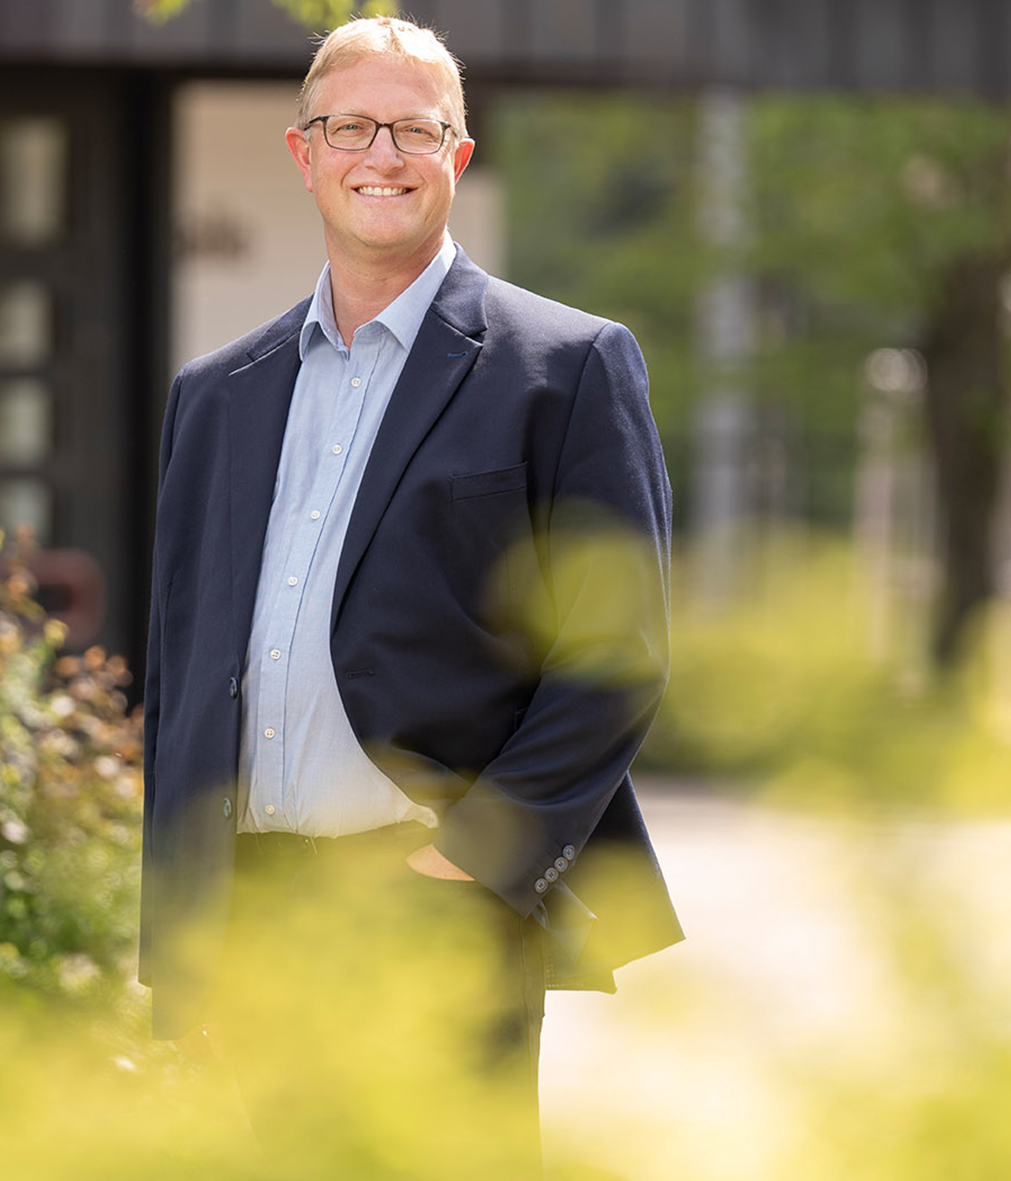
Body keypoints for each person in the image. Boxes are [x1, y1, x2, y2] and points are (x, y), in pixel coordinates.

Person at [140, 15, 682, 1174]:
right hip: (252, 910)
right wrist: (174, 942)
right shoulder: (215, 393)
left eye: (414, 130)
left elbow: (616, 653)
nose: (379, 153)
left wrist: (471, 862)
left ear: (457, 157)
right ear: (303, 152)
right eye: (350, 126)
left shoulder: (565, 367)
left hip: (431, 898)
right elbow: (184, 667)